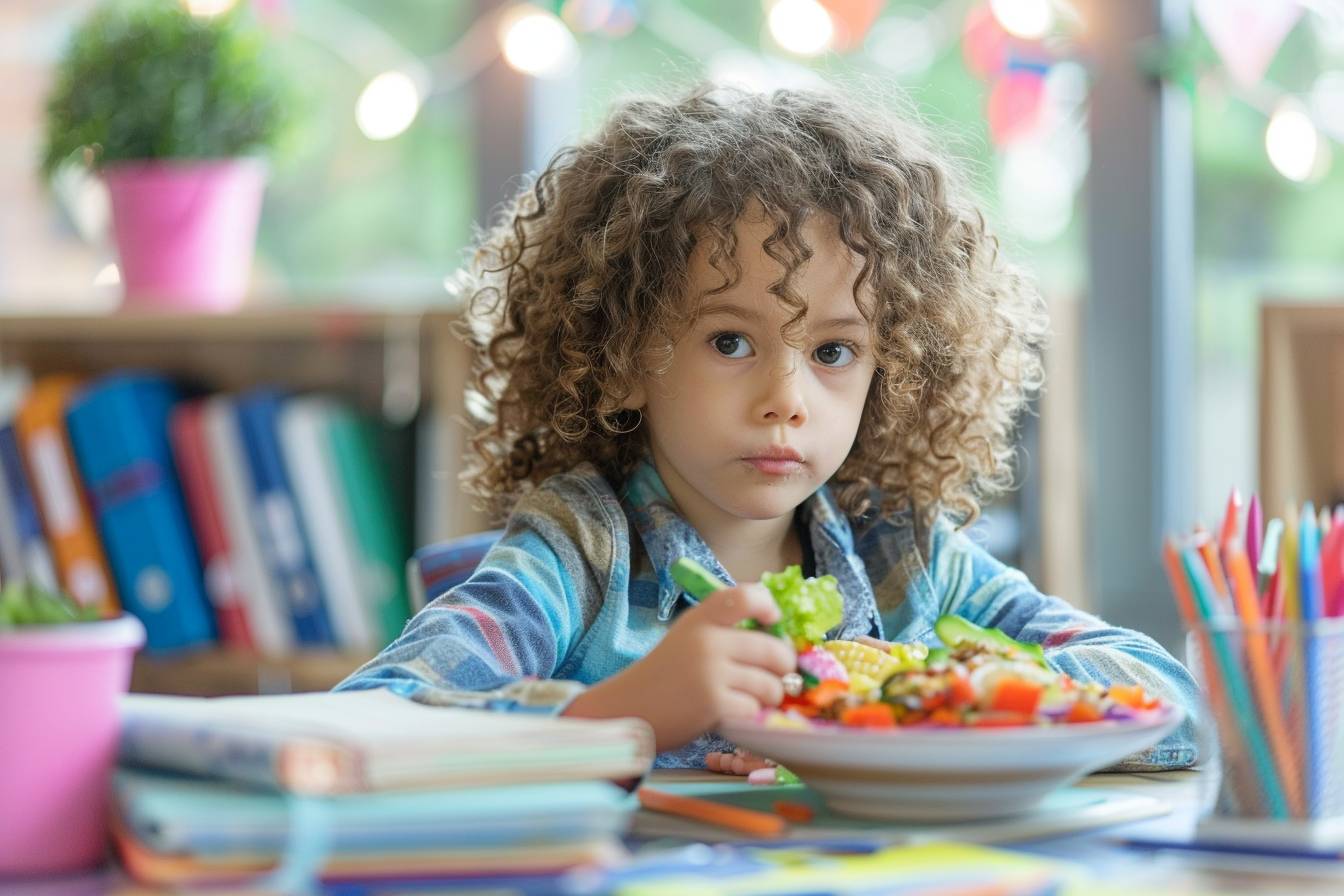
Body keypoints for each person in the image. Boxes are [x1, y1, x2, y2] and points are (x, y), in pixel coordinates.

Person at [336, 84, 1199, 771]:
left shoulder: (904, 554)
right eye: (731, 340)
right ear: (628, 350)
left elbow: (1171, 700)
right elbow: (363, 728)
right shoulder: (579, 550)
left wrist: (925, 697)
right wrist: (624, 710)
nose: (786, 397)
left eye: (833, 351)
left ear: (888, 372)